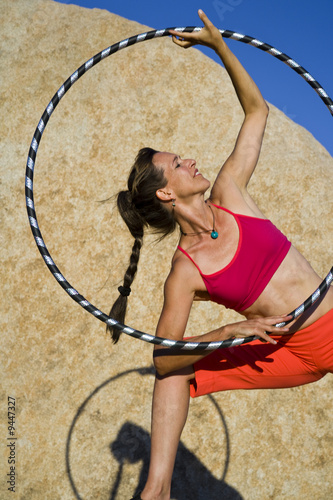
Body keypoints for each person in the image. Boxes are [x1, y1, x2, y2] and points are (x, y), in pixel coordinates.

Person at [107, 10, 333, 500]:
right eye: (176, 163)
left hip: (329, 321)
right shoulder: (185, 270)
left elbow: (257, 112)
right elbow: (165, 359)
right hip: (284, 350)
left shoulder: (232, 192)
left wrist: (219, 47)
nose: (188, 158)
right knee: (177, 370)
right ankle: (157, 490)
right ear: (167, 194)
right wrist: (230, 331)